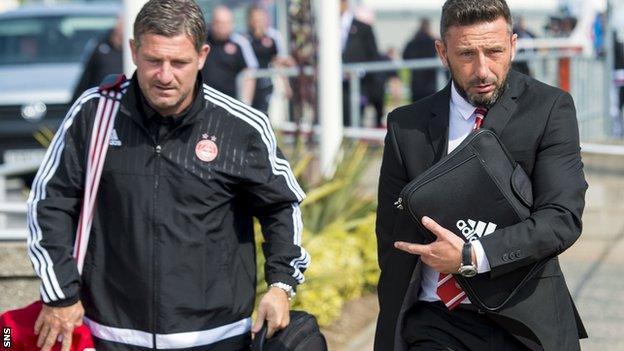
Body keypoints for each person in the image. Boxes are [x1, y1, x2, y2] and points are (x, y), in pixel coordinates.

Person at [28, 1, 308, 350]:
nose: (165, 75)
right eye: (153, 60)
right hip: (111, 336)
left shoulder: (241, 127)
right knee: (7, 340)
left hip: (217, 338)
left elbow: (281, 206)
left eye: (179, 63)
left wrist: (281, 285)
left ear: (202, 55)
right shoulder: (94, 114)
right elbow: (48, 203)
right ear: (133, 50)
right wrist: (60, 296)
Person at [375, 1, 588, 350]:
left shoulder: (550, 109)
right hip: (434, 319)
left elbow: (561, 219)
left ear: (514, 45)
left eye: (494, 51)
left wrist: (470, 256)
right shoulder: (406, 126)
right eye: (466, 54)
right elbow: (391, 239)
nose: (483, 70)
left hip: (524, 320)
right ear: (442, 52)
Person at [203, 5, 258, 104]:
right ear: (213, 23)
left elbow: (249, 74)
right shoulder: (203, 41)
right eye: (219, 23)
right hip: (203, 101)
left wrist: (245, 103)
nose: (222, 27)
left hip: (230, 102)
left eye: (226, 23)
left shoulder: (240, 43)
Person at [245, 5, 293, 115]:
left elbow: (279, 62)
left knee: (267, 114)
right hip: (249, 84)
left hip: (268, 83)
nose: (257, 22)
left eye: (260, 19)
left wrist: (286, 86)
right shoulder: (245, 38)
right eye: (255, 19)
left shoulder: (273, 37)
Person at [341, 0, 379, 126]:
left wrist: (357, 72)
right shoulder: (324, 29)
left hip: (357, 86)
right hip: (332, 87)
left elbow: (373, 58)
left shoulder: (363, 29)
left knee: (353, 123)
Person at [72, 15, 124, 101]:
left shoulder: (135, 51)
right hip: (100, 101)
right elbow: (86, 78)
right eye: (120, 23)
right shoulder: (100, 47)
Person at [402, 18, 438, 102]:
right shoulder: (433, 41)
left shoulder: (412, 42)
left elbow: (404, 56)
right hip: (430, 82)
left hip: (416, 82)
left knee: (416, 109)